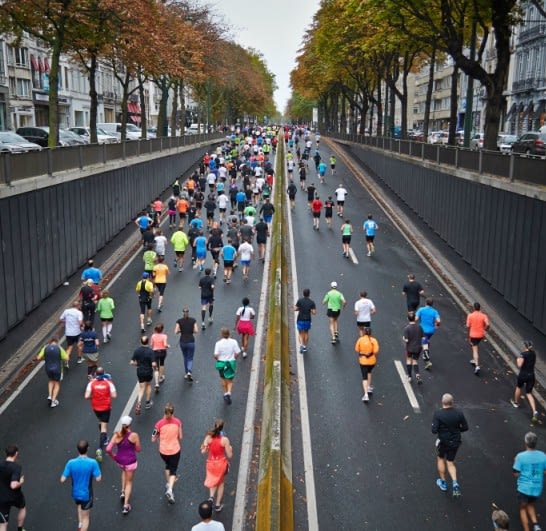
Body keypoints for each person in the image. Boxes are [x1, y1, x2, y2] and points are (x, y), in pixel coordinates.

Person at [431, 393, 468, 498]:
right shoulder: (459, 413)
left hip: (443, 441)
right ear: (452, 402)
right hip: (455, 441)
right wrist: (456, 430)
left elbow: (433, 430)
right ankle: (455, 482)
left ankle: (443, 483)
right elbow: (465, 427)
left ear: (442, 402)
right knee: (450, 462)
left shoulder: (438, 414)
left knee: (440, 458)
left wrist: (441, 430)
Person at [60, 440, 102, 531]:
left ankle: (80, 525)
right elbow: (98, 479)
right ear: (88, 449)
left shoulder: (70, 462)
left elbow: (62, 479)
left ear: (77, 450)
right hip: (86, 494)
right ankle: (82, 526)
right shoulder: (93, 462)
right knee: (86, 517)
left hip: (75, 493)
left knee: (79, 505)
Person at [106, 416, 141, 515]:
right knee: (129, 482)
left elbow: (108, 449)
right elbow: (138, 449)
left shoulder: (117, 434)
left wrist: (114, 456)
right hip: (130, 462)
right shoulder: (134, 435)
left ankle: (122, 491)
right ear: (130, 424)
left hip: (120, 462)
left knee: (123, 471)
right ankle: (126, 505)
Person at [151, 403, 183, 505]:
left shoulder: (158, 424)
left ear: (164, 412)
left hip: (163, 451)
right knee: (173, 471)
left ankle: (169, 484)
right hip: (175, 450)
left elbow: (153, 438)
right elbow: (181, 437)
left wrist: (159, 437)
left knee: (167, 466)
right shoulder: (178, 422)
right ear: (173, 412)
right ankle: (170, 490)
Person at [200, 419, 233, 514]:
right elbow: (229, 455)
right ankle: (217, 505)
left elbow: (203, 451)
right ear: (222, 428)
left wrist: (204, 446)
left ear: (214, 426)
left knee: (213, 479)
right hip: (221, 464)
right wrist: (230, 448)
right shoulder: (225, 440)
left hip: (210, 463)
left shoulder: (208, 437)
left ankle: (211, 497)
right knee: (221, 483)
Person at [511, 340, 540, 424]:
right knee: (529, 393)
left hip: (523, 375)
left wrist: (517, 359)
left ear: (525, 346)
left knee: (519, 387)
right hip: (531, 375)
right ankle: (534, 411)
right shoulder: (534, 353)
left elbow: (519, 365)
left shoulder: (523, 354)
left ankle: (516, 403)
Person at [36, 337, 68, 408]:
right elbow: (66, 358)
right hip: (58, 369)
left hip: (48, 368)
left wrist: (45, 358)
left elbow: (38, 358)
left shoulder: (45, 347)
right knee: (57, 383)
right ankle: (53, 401)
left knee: (51, 380)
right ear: (57, 341)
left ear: (50, 342)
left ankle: (50, 395)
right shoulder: (59, 348)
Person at [0, 445, 26, 531]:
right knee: (22, 507)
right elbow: (13, 485)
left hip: (2, 497)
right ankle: (20, 528)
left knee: (3, 524)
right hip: (15, 496)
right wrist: (21, 482)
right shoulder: (16, 467)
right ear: (16, 454)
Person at [213, 328, 241, 404]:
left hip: (222, 363)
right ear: (229, 334)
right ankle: (229, 392)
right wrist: (234, 357)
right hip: (230, 363)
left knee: (222, 378)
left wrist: (217, 358)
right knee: (230, 379)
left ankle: (225, 393)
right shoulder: (234, 342)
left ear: (221, 334)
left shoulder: (218, 343)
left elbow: (215, 355)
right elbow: (238, 352)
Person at [130, 336, 157, 415]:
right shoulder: (151, 351)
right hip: (148, 371)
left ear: (141, 341)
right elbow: (154, 364)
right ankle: (147, 402)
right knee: (148, 385)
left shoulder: (137, 351)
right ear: (148, 342)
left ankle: (139, 402)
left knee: (141, 388)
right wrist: (155, 368)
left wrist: (137, 364)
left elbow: (131, 362)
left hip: (140, 371)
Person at [355, 327, 380, 403]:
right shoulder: (374, 340)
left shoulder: (360, 340)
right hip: (372, 361)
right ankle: (368, 387)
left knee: (364, 377)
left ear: (364, 333)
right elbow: (376, 351)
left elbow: (356, 349)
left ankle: (366, 395)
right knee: (369, 372)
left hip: (363, 361)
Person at [416, 298, 441, 370]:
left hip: (423, 330)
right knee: (426, 341)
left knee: (424, 343)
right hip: (431, 331)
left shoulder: (421, 309)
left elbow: (416, 318)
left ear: (426, 303)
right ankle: (425, 353)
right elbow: (438, 321)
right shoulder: (435, 311)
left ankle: (427, 359)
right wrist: (437, 325)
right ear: (432, 304)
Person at [174, 308, 199, 382]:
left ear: (183, 313)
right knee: (190, 358)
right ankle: (189, 371)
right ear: (188, 312)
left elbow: (175, 331)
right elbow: (196, 331)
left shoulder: (179, 321)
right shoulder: (193, 320)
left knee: (185, 357)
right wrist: (191, 330)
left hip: (183, 342)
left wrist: (181, 330)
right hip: (191, 341)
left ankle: (186, 372)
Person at [466, 302, 490, 375]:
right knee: (475, 346)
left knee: (475, 349)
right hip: (481, 335)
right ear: (480, 308)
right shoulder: (484, 316)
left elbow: (467, 326)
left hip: (473, 335)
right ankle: (474, 359)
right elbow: (488, 324)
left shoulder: (470, 315)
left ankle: (476, 366)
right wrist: (485, 329)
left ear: (474, 308)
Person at [403, 312, 424, 384]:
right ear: (415, 318)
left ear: (407, 319)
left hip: (409, 348)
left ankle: (409, 376)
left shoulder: (407, 328)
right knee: (415, 361)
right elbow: (423, 337)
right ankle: (418, 375)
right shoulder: (420, 327)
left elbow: (406, 340)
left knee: (409, 360)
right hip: (418, 348)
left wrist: (404, 338)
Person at [60, 300, 83, 365]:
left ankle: (66, 360)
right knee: (79, 345)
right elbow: (80, 322)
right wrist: (82, 326)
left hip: (68, 333)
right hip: (77, 332)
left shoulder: (66, 311)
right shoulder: (79, 313)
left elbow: (60, 319)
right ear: (78, 306)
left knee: (70, 347)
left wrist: (66, 322)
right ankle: (79, 358)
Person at [294, 288, 317, 353]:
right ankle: (304, 346)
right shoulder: (311, 302)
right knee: (306, 332)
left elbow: (295, 309)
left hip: (300, 319)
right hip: (308, 320)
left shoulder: (300, 301)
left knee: (300, 333)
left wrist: (299, 309)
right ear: (309, 294)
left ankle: (301, 345)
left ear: (303, 293)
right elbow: (314, 313)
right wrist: (310, 310)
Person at [150, 323, 170, 392]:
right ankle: (161, 377)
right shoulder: (164, 336)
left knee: (156, 368)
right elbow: (165, 344)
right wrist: (168, 346)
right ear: (162, 329)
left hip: (155, 352)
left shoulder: (153, 336)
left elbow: (151, 345)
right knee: (162, 364)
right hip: (162, 352)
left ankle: (156, 383)